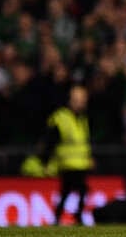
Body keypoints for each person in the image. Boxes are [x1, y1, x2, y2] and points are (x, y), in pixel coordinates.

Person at [39, 85, 93, 225]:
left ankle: (59, 218)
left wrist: (89, 157)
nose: (80, 103)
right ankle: (75, 217)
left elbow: (84, 141)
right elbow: (50, 141)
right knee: (79, 190)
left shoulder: (82, 118)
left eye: (82, 100)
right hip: (66, 163)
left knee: (68, 192)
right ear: (70, 100)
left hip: (81, 162)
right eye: (77, 100)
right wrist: (46, 162)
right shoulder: (60, 117)